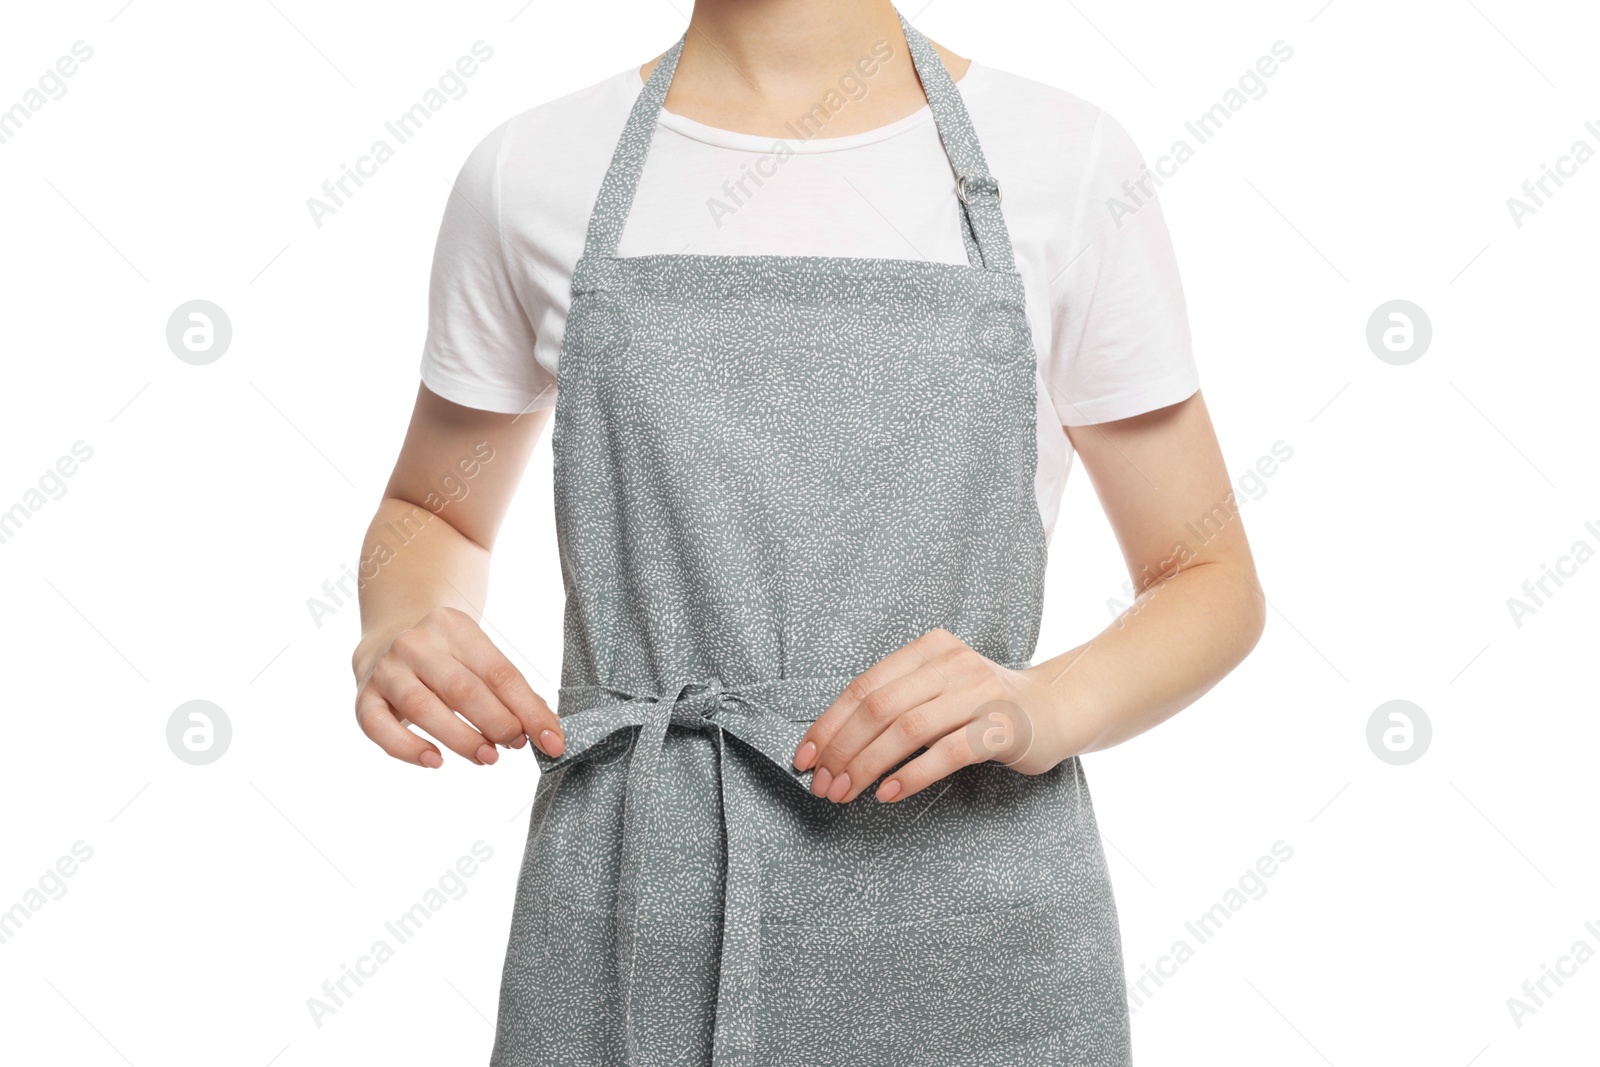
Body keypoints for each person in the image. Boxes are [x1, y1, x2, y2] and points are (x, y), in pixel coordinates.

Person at [351, 2, 1265, 1063]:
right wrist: (403, 620)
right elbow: (434, 508)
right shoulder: (531, 172)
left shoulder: (1066, 160)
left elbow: (1203, 572)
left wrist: (1041, 701)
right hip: (631, 925)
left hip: (978, 949)